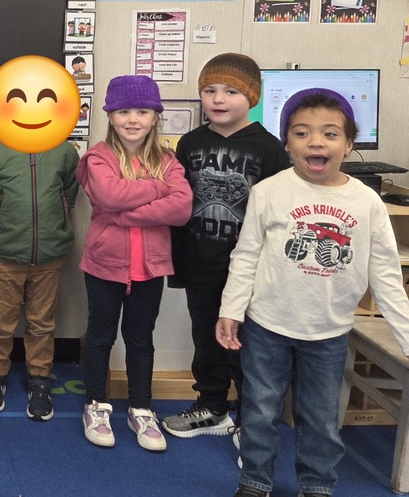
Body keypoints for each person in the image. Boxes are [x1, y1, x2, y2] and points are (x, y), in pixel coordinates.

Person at [219, 88, 409, 497]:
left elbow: (386, 275)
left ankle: (317, 485)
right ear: (286, 142)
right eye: (302, 133)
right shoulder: (268, 191)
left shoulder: (367, 202)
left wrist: (407, 338)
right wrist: (231, 310)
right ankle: (254, 480)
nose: (316, 142)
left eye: (329, 133)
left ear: (348, 143)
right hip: (268, 325)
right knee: (260, 410)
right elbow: (246, 255)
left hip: (329, 332)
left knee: (321, 418)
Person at [162, 53, 289, 444]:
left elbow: (277, 215)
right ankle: (213, 406)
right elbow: (179, 203)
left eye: (231, 91)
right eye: (209, 90)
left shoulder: (270, 148)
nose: (218, 99)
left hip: (247, 270)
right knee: (205, 337)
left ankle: (252, 418)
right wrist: (179, 265)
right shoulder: (190, 142)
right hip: (201, 261)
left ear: (250, 96)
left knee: (246, 346)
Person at [76, 75, 193, 452]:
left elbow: (181, 208)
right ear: (110, 115)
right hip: (104, 264)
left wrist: (127, 213)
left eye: (142, 111)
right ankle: (96, 404)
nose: (132, 119)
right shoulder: (99, 157)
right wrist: (157, 188)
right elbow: (109, 194)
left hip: (150, 267)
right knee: (101, 336)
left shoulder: (167, 160)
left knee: (141, 339)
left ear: (155, 116)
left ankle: (141, 407)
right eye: (123, 111)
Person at [0, 122, 79, 421]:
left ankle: (40, 378)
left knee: (42, 320)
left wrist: (56, 223)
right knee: (1, 320)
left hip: (50, 253)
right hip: (6, 252)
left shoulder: (64, 149)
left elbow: (69, 192)